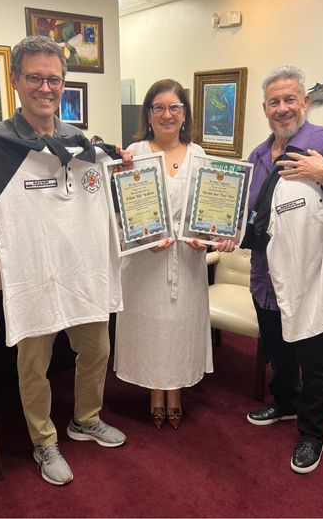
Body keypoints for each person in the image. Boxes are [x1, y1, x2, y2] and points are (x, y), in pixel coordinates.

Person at [0, 36, 128, 486]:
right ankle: (44, 441)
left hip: (83, 271)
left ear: (63, 83)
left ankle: (85, 419)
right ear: (16, 80)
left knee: (97, 349)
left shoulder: (80, 141)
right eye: (35, 78)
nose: (46, 87)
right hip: (35, 275)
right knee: (33, 365)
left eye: (54, 79)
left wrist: (125, 166)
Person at [242, 66, 323, 473]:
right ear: (265, 109)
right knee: (279, 351)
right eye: (274, 102)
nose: (282, 108)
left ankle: (313, 432)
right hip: (266, 279)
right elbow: (246, 214)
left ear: (305, 101)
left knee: (316, 360)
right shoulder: (257, 157)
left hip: (313, 279)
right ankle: (285, 402)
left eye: (290, 99)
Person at [113, 79, 235, 429]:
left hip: (187, 261)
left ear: (184, 114)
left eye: (174, 107)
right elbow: (122, 213)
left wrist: (206, 238)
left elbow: (209, 211)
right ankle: (155, 391)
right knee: (151, 327)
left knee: (180, 327)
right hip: (145, 261)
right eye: (159, 108)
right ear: (148, 114)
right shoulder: (133, 154)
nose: (167, 115)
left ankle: (176, 391)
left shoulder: (200, 155)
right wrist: (142, 238)